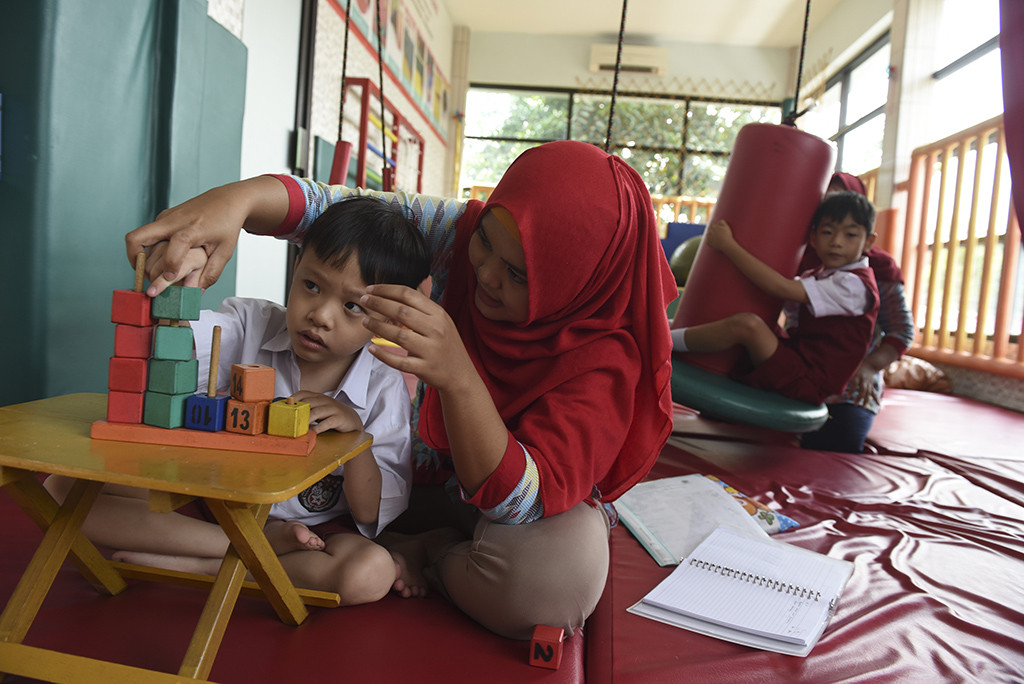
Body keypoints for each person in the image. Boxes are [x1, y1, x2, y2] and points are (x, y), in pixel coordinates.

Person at [122, 140, 677, 640]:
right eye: (485, 242)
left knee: (557, 582)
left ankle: (431, 555)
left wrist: (458, 378)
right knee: (74, 491)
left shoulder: (605, 361)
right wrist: (236, 203)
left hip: (503, 515)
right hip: (391, 495)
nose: (485, 274)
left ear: (571, 284)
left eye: (520, 274)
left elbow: (522, 504)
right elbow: (336, 216)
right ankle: (284, 554)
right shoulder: (455, 239)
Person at [46, 196, 431, 606]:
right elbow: (178, 340)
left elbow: (372, 515)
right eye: (311, 286)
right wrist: (176, 283)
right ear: (295, 267)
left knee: (371, 572)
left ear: (388, 320)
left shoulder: (383, 385)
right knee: (62, 487)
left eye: (351, 306)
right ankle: (246, 547)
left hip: (315, 536)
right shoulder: (249, 322)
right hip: (213, 507)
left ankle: (207, 566)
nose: (320, 314)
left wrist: (356, 443)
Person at [671, 191, 880, 406]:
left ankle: (665, 342)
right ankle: (670, 331)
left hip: (812, 380)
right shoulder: (819, 275)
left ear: (868, 242)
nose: (837, 242)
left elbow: (780, 287)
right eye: (828, 232)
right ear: (813, 238)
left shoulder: (853, 285)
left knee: (748, 325)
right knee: (747, 318)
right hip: (798, 360)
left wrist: (729, 246)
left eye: (850, 235)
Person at [799, 172, 916, 453]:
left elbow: (902, 330)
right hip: (803, 371)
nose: (837, 240)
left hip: (851, 385)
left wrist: (869, 367)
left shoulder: (879, 267)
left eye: (849, 232)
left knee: (838, 443)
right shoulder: (802, 258)